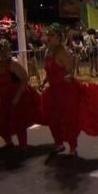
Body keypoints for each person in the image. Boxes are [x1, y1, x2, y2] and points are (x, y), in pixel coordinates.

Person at [0, 40, 42, 150]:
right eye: (1, 51)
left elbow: (25, 78)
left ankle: (23, 145)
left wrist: (17, 97)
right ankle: (9, 142)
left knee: (19, 122)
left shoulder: (14, 64)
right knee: (0, 122)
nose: (3, 54)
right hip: (4, 99)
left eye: (5, 51)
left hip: (18, 97)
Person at [39, 25, 82, 156]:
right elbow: (49, 71)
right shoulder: (48, 52)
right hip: (53, 92)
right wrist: (44, 82)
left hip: (65, 91)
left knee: (67, 119)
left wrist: (69, 76)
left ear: (58, 37)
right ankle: (59, 144)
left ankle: (73, 147)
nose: (49, 38)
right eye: (49, 35)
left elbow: (70, 68)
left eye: (52, 35)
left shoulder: (62, 51)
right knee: (53, 119)